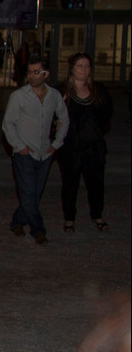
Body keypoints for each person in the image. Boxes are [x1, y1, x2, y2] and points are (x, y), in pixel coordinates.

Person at [2, 54, 69, 245]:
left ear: (46, 74)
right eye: (30, 72)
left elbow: (64, 120)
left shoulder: (54, 96)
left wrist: (56, 144)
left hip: (45, 153)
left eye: (36, 72)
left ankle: (17, 221)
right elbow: (8, 124)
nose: (32, 76)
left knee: (34, 194)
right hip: (24, 154)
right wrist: (20, 146)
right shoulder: (18, 96)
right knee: (29, 193)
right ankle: (38, 230)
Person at [58, 52, 114, 233]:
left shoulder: (99, 90)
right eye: (79, 66)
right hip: (71, 148)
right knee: (69, 184)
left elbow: (107, 114)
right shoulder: (62, 91)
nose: (83, 69)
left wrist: (94, 131)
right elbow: (52, 115)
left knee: (96, 184)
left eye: (87, 66)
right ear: (72, 69)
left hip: (93, 147)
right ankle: (69, 219)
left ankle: (97, 215)